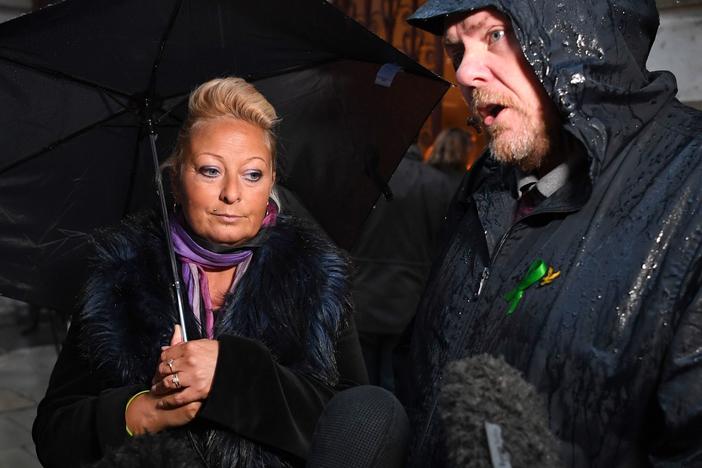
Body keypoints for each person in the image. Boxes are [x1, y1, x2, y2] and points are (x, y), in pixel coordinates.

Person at [404, 1, 702, 466]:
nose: (464, 72)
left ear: (582, 35)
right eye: (456, 49)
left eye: (496, 35)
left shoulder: (689, 190)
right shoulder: (487, 181)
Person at [32, 77, 367, 467]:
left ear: (272, 181)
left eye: (252, 174)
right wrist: (139, 413)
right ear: (175, 181)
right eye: (210, 170)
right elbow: (54, 434)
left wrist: (233, 376)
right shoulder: (121, 275)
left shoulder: (315, 277)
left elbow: (353, 424)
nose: (231, 193)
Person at [350, 144, 454, 392]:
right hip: (411, 297)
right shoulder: (436, 183)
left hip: (363, 294)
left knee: (362, 384)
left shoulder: (363, 182)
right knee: (400, 385)